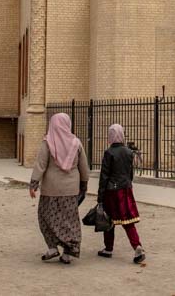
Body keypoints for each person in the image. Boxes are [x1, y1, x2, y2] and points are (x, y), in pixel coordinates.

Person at [29, 113, 89, 264]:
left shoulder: (48, 142)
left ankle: (52, 247)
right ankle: (68, 252)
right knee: (70, 220)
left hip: (51, 189)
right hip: (70, 189)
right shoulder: (76, 143)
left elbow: (40, 164)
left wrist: (34, 184)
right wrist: (84, 185)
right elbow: (84, 167)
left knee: (46, 217)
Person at [97, 124, 146, 263]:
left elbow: (104, 176)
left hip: (111, 192)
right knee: (128, 221)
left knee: (108, 221)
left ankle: (108, 248)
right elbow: (130, 174)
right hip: (126, 190)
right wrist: (127, 184)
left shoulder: (109, 153)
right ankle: (137, 246)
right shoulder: (129, 152)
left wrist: (100, 197)